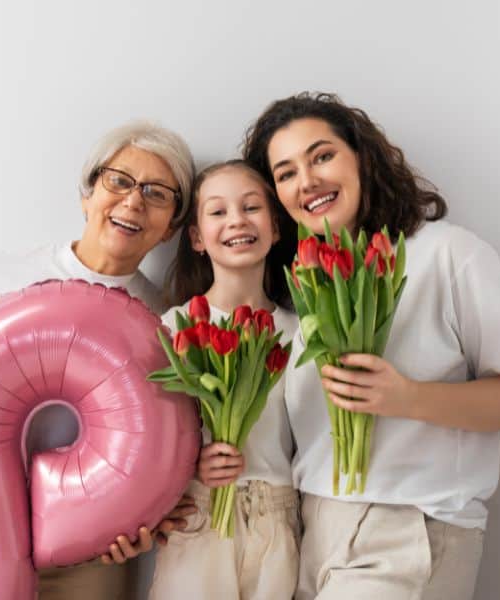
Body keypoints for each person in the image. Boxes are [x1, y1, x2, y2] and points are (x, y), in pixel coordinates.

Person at [242, 92, 500, 600]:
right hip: (310, 533)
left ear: (361, 157)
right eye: (286, 172)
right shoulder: (297, 286)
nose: (308, 181)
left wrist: (406, 397)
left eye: (322, 156)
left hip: (408, 528)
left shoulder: (447, 253)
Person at [0, 120, 198, 600]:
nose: (133, 201)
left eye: (157, 193)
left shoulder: (167, 322)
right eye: (118, 181)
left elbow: (168, 448)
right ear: (87, 196)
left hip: (88, 550)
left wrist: (150, 514)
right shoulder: (1, 273)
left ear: (172, 228)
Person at [148, 160, 300, 600]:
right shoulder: (172, 330)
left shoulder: (299, 332)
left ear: (275, 227)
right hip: (201, 519)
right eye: (217, 212)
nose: (236, 220)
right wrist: (191, 466)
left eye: (252, 207)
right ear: (196, 238)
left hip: (277, 521)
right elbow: (149, 438)